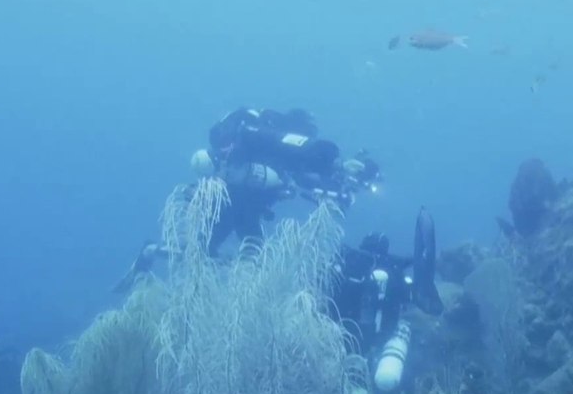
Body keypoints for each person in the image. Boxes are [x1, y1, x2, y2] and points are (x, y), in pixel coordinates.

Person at [112, 107, 382, 293]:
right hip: (236, 205)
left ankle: (150, 252)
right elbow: (309, 151)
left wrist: (337, 185)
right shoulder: (265, 137)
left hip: (235, 204)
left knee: (203, 254)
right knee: (244, 257)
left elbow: (303, 180)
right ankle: (155, 255)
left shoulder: (262, 147)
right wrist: (338, 163)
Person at [328, 208, 445, 394]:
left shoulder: (346, 267)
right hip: (381, 344)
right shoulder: (394, 270)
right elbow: (421, 301)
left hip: (341, 339)